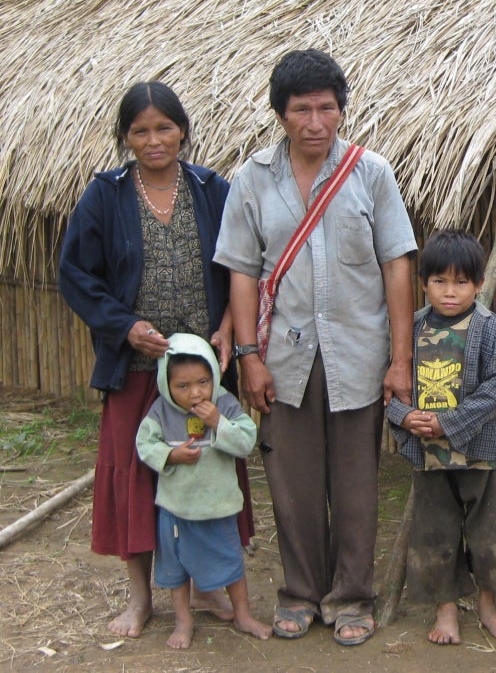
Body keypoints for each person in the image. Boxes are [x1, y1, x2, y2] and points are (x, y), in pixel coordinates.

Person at [214, 49, 416, 646]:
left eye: (326, 108)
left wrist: (400, 359)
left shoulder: (371, 173)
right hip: (284, 358)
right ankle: (300, 592)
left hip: (358, 351)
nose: (315, 122)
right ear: (281, 114)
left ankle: (353, 597)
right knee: (292, 484)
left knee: (356, 483)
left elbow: (397, 267)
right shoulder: (253, 179)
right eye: (301, 109)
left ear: (341, 111)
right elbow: (243, 272)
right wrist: (249, 355)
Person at [58, 81, 253, 638]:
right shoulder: (106, 195)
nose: (154, 140)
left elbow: (241, 264)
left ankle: (211, 583)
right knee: (137, 476)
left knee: (208, 468)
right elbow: (75, 274)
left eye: (164, 127)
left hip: (200, 377)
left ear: (183, 130)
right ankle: (141, 597)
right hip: (136, 369)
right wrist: (125, 326)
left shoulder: (212, 189)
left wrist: (228, 326)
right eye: (140, 131)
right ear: (125, 137)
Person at [386, 230, 496, 646]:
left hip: (479, 455)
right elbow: (389, 386)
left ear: (478, 284)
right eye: (439, 281)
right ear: (423, 283)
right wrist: (405, 417)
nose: (449, 292)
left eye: (461, 282)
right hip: (429, 457)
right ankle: (445, 610)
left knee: (489, 531)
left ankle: (488, 605)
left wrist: (452, 422)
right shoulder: (412, 328)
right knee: (435, 532)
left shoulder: (487, 327)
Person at [135, 334, 272, 648]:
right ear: (167, 384)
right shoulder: (160, 411)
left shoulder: (223, 403)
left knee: (231, 562)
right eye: (183, 387)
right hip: (175, 509)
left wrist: (218, 422)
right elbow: (144, 444)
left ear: (213, 374)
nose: (195, 393)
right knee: (176, 568)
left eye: (202, 382)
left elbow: (246, 440)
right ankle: (183, 621)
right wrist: (170, 455)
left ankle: (243, 614)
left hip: (217, 506)